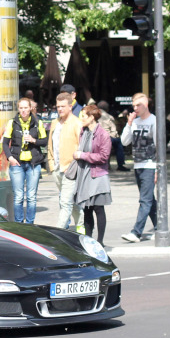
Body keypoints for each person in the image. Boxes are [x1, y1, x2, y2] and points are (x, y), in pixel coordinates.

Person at [120, 93, 158, 242]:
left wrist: (158, 170)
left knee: (145, 200)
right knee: (149, 199)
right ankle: (159, 227)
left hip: (150, 165)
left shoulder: (154, 121)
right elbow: (124, 141)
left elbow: (159, 146)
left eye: (138, 105)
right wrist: (128, 124)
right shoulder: (134, 122)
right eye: (133, 106)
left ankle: (136, 232)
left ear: (146, 105)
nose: (135, 108)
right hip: (138, 165)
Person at [72, 104, 113, 244]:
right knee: (87, 209)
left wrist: (83, 155)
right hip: (85, 174)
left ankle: (100, 241)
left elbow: (103, 157)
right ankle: (89, 240)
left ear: (91, 117)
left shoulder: (103, 134)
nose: (81, 119)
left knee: (98, 208)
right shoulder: (84, 131)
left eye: (83, 116)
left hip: (98, 175)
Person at [2, 98, 47, 224]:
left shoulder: (38, 122)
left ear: (30, 108)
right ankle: (19, 223)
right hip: (17, 163)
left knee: (32, 197)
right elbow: (5, 143)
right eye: (21, 108)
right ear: (18, 109)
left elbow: (44, 140)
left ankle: (30, 223)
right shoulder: (12, 122)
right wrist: (10, 158)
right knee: (18, 197)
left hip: (33, 164)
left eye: (25, 108)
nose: (23, 111)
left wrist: (33, 140)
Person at [46, 91, 81, 231]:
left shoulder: (76, 123)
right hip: (57, 168)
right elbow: (50, 145)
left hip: (70, 169)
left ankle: (57, 233)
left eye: (63, 106)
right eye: (58, 106)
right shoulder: (55, 123)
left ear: (70, 106)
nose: (60, 109)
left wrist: (73, 167)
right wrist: (51, 164)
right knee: (71, 203)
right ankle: (81, 227)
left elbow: (81, 147)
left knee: (65, 202)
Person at [97, 100, 127, 170]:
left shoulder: (94, 115)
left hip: (96, 137)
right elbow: (114, 131)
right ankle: (120, 165)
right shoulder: (109, 117)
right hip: (107, 137)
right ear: (107, 109)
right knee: (118, 143)